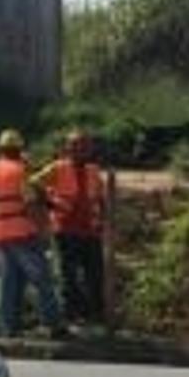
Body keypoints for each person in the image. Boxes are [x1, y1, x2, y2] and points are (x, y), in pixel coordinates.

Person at [0, 128, 65, 339]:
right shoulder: (20, 170)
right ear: (18, 149)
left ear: (0, 149)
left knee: (8, 284)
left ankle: (9, 328)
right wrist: (43, 232)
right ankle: (53, 324)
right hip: (23, 233)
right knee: (42, 279)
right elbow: (31, 205)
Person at [34, 130, 108, 325]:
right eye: (75, 146)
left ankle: (95, 315)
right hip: (65, 229)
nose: (80, 150)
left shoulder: (93, 171)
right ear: (68, 149)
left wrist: (102, 220)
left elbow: (100, 198)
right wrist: (50, 203)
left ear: (90, 149)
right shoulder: (58, 168)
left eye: (84, 146)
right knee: (69, 275)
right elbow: (32, 183)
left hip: (90, 230)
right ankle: (72, 315)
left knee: (95, 274)